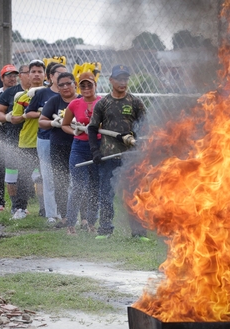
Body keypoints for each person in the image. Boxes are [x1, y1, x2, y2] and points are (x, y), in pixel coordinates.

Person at [88, 65, 149, 240]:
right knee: (106, 193)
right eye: (119, 79)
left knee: (133, 194)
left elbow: (146, 127)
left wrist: (135, 138)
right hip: (109, 157)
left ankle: (138, 233)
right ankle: (105, 229)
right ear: (111, 80)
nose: (122, 82)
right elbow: (92, 128)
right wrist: (95, 151)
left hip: (131, 157)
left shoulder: (135, 102)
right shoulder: (103, 104)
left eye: (125, 79)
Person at [62, 72, 101, 235]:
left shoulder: (103, 103)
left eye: (89, 85)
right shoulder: (74, 104)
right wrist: (75, 132)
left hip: (98, 147)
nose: (86, 88)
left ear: (95, 86)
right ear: (79, 87)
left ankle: (91, 223)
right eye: (83, 85)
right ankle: (71, 224)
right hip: (79, 147)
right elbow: (64, 124)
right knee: (78, 186)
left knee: (95, 187)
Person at [39, 72, 78, 229]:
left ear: (74, 84)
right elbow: (42, 121)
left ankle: (84, 220)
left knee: (80, 182)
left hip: (79, 146)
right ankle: (64, 217)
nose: (65, 87)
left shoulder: (82, 100)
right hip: (59, 145)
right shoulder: (54, 101)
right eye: (61, 85)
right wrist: (53, 123)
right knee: (61, 182)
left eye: (68, 83)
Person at [29, 62, 67, 223]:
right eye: (59, 74)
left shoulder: (70, 94)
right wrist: (43, 114)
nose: (63, 77)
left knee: (66, 178)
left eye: (66, 74)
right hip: (45, 139)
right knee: (49, 177)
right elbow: (28, 112)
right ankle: (52, 214)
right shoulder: (42, 94)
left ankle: (66, 213)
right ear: (51, 76)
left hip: (65, 140)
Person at [10, 59, 46, 219]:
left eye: (40, 71)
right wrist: (27, 114)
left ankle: (47, 210)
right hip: (27, 142)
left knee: (46, 178)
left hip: (47, 142)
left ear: (45, 75)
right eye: (33, 72)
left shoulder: (51, 94)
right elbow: (14, 118)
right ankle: (20, 209)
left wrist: (39, 114)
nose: (37, 74)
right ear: (28, 75)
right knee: (24, 177)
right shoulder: (22, 97)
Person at [0, 64, 30, 215]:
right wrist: (7, 117)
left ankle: (38, 208)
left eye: (35, 72)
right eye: (28, 72)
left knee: (34, 174)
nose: (32, 75)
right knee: (12, 173)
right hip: (13, 137)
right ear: (22, 75)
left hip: (33, 137)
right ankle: (15, 206)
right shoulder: (10, 93)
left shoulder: (40, 92)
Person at [0, 64, 19, 212]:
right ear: (2, 78)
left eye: (14, 75)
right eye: (9, 75)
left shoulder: (21, 93)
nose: (12, 78)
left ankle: (18, 204)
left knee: (15, 169)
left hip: (15, 136)